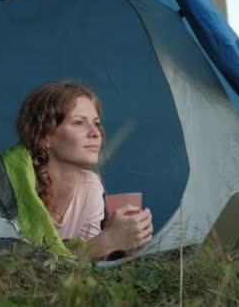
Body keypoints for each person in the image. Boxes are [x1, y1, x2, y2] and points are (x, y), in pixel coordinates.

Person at [16, 81, 153, 259]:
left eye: (96, 123)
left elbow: (84, 266)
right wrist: (109, 240)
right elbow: (19, 266)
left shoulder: (90, 186)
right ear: (44, 137)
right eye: (79, 123)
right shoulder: (16, 187)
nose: (95, 133)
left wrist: (123, 247)